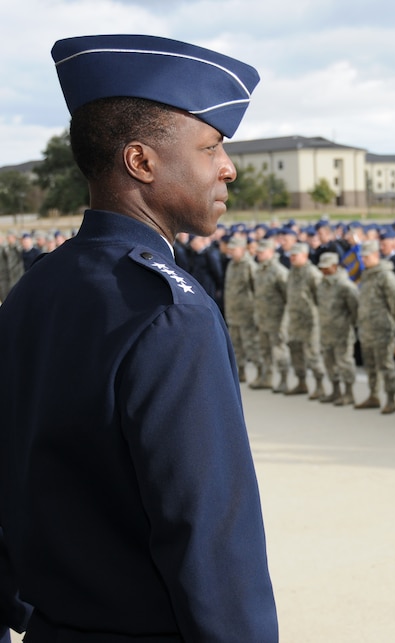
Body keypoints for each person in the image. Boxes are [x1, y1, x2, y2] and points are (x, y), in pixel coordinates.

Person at [0, 34, 278, 640]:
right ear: (142, 162)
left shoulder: (33, 293)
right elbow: (209, 538)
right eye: (210, 148)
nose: (228, 167)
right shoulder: (169, 312)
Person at [354, 240, 395, 413]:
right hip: (367, 329)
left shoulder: (386, 276)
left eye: (366, 257)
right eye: (362, 257)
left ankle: (391, 399)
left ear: (376, 255)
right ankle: (373, 395)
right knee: (370, 365)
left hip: (383, 329)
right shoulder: (366, 275)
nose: (363, 260)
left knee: (386, 365)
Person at [317, 252, 359, 405]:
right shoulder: (322, 284)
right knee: (329, 362)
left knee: (344, 362)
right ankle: (336, 391)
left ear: (334, 267)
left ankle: (349, 393)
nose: (323, 271)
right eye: (322, 268)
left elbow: (355, 308)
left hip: (342, 332)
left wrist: (350, 324)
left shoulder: (345, 285)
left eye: (326, 268)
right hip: (326, 331)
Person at [285, 242, 326, 398]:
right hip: (295, 319)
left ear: (305, 255)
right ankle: (301, 382)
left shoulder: (312, 273)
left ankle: (320, 385)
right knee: (295, 351)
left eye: (296, 255)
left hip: (310, 320)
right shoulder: (292, 272)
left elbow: (320, 298)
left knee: (312, 353)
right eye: (291, 255)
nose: (292, 258)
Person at [253, 238, 291, 393]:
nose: (259, 254)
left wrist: (285, 322)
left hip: (276, 319)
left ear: (271, 252)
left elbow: (289, 298)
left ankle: (284, 379)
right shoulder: (259, 270)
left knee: (279, 350)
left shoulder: (280, 272)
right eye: (258, 252)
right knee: (264, 349)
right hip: (263, 318)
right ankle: (267, 378)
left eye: (262, 252)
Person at [224, 235, 263, 385]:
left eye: (234, 249)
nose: (231, 252)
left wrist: (255, 312)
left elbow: (256, 290)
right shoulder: (231, 265)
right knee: (236, 345)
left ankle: (261, 371)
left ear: (242, 249)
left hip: (247, 313)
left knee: (251, 344)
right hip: (233, 313)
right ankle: (241, 372)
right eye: (230, 249)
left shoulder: (249, 266)